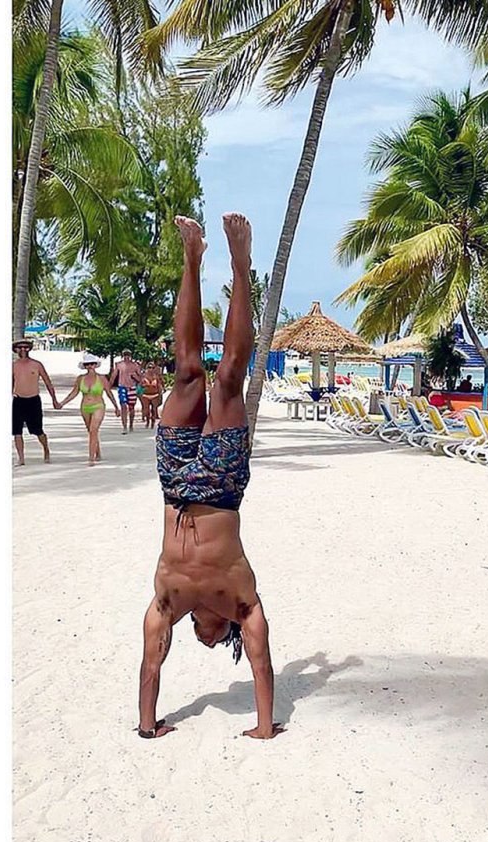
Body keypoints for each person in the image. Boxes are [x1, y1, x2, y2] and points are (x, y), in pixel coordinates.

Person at [137, 213, 280, 742]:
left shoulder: (167, 604)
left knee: (187, 373)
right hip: (220, 486)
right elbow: (263, 666)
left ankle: (192, 259)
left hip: (175, 483)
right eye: (212, 637)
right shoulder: (242, 604)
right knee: (226, 379)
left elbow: (151, 667)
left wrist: (148, 725)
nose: (204, 635)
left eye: (198, 633)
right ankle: (240, 265)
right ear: (222, 632)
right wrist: (264, 726)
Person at [57, 352, 119, 465]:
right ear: (85, 366)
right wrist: (62, 403)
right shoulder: (80, 379)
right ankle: (97, 451)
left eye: (92, 364)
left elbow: (109, 393)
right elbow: (74, 393)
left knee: (93, 430)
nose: (90, 366)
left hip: (98, 406)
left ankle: (91, 458)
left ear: (95, 365)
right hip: (85, 407)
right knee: (91, 431)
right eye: (87, 364)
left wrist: (116, 407)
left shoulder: (102, 378)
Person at [12, 339, 59, 465]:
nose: (23, 349)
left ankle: (46, 449)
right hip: (18, 400)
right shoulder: (13, 365)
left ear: (29, 349)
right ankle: (21, 458)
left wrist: (54, 399)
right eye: (20, 347)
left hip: (33, 400)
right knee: (16, 431)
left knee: (38, 430)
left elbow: (48, 382)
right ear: (16, 349)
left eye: (26, 347)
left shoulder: (36, 364)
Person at [112, 350, 145, 434]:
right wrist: (108, 386)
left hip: (132, 387)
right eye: (125, 355)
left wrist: (136, 377)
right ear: (122, 355)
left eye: (128, 355)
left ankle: (131, 424)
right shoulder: (119, 365)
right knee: (123, 406)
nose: (126, 356)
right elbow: (113, 376)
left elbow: (141, 378)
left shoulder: (135, 365)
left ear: (131, 356)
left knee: (131, 407)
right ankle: (124, 426)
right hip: (122, 386)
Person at [140, 361, 163, 429]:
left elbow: (159, 385)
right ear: (147, 368)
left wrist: (160, 393)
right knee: (147, 410)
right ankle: (147, 422)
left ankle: (152, 423)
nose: (151, 369)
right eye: (149, 367)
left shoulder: (157, 376)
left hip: (155, 395)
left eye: (153, 368)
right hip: (145, 395)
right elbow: (140, 385)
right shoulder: (143, 376)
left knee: (154, 409)